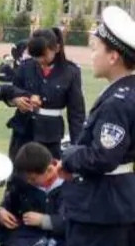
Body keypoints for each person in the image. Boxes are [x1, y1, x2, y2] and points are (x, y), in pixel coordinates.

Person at [48, 6, 135, 246]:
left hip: (101, 207)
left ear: (114, 55)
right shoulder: (127, 91)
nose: (92, 53)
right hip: (119, 203)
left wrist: (68, 158)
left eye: (97, 47)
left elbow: (103, 156)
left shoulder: (119, 98)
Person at [7, 28, 86, 160]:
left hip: (50, 135)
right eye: (35, 55)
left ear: (57, 48)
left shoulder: (71, 72)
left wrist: (77, 146)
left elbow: (76, 113)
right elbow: (11, 91)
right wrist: (17, 100)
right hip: (23, 131)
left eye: (43, 55)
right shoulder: (25, 67)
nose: (39, 60)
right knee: (18, 171)